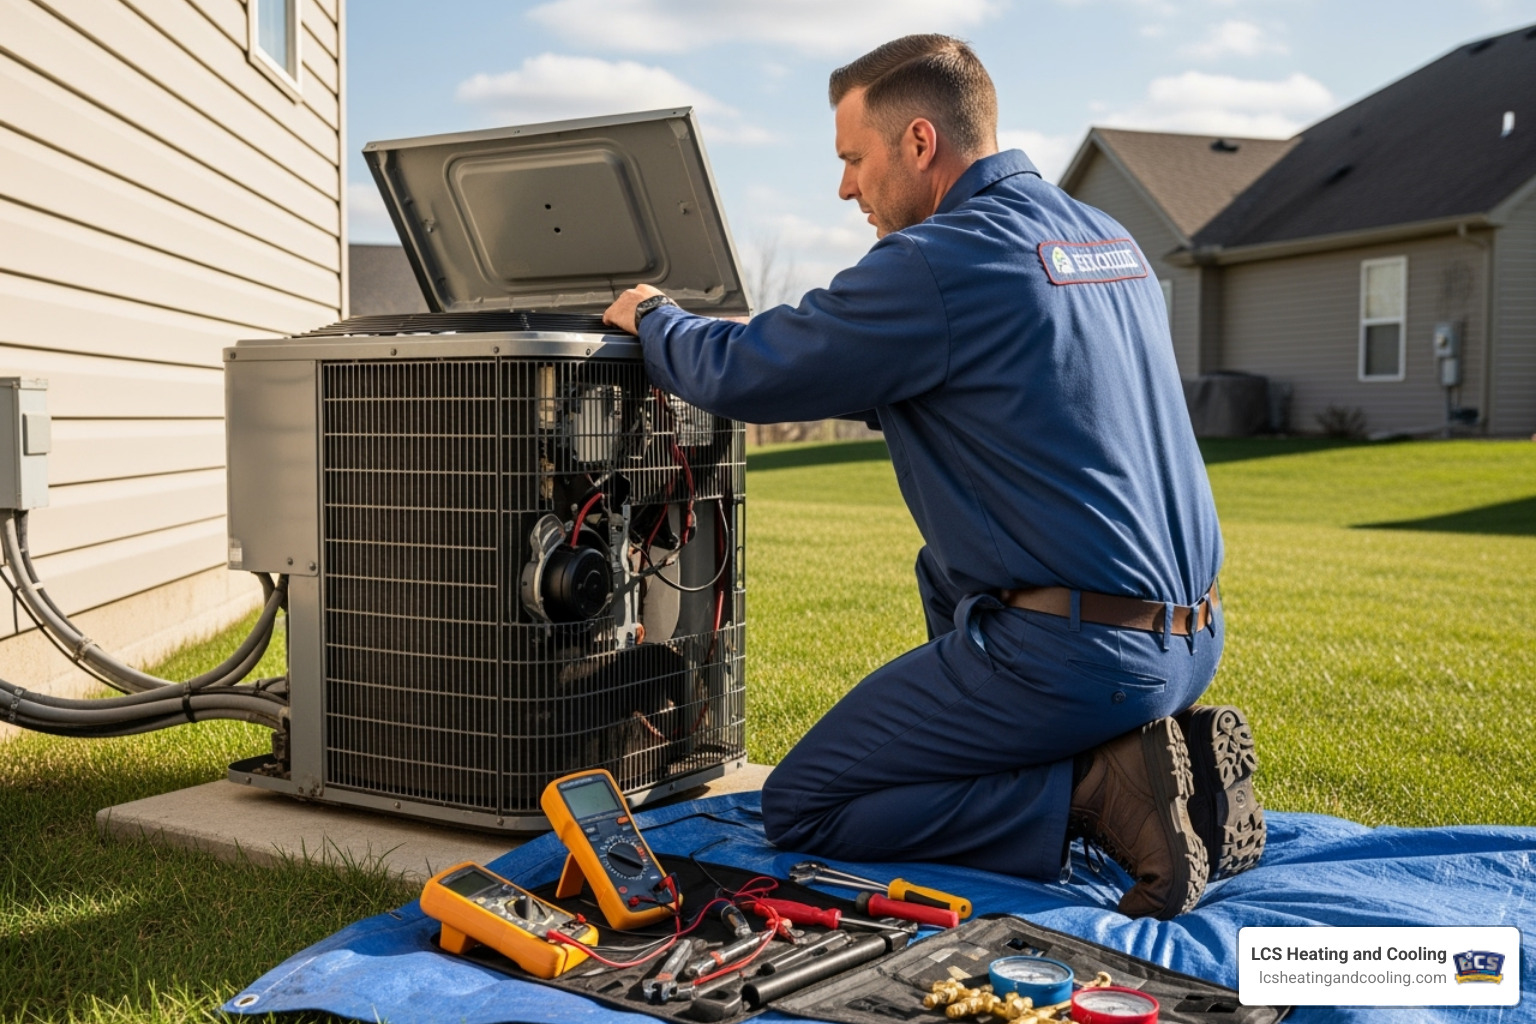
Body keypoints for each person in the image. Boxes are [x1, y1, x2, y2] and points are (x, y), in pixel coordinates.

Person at [604, 34, 1264, 919]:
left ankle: (1098, 793)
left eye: (853, 159)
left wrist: (657, 319)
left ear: (920, 143)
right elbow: (983, 390)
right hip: (1193, 638)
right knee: (944, 574)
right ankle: (1151, 768)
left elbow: (751, 374)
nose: (846, 188)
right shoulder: (1100, 235)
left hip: (1077, 657)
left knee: (806, 804)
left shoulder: (939, 260)